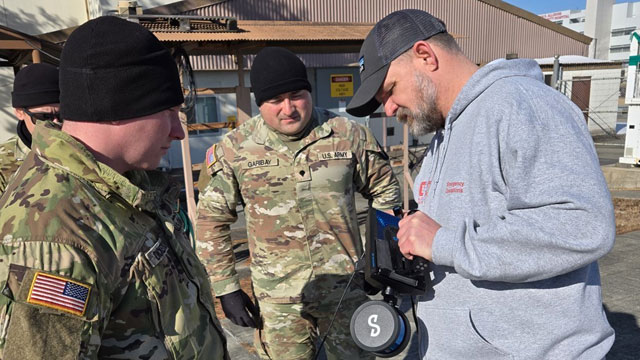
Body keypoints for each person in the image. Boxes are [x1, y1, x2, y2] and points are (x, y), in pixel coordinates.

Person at [347, 9, 616, 360]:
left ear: (425, 56)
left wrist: (442, 242)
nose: (389, 108)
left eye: (390, 90)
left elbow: (584, 224)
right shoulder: (441, 139)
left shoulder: (521, 105)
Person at [0, 16, 228, 359]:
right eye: (166, 111)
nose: (178, 131)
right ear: (117, 104)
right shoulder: (55, 233)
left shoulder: (123, 185)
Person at [196, 46, 401, 359]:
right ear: (259, 103)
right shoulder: (235, 149)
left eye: (296, 95)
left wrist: (380, 262)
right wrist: (227, 288)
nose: (288, 108)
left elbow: (386, 192)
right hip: (279, 300)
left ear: (309, 92)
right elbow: (211, 220)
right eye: (275, 100)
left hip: (345, 290)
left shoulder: (347, 135)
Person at [0, 63, 60, 195]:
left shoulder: (82, 152)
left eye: (62, 116)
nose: (56, 123)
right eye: (44, 117)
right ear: (20, 113)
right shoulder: (3, 163)